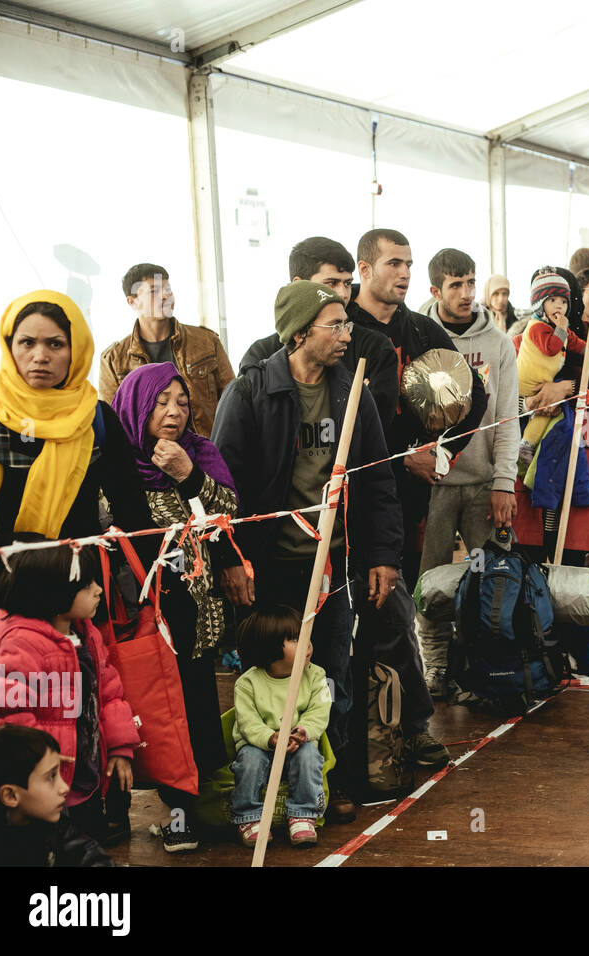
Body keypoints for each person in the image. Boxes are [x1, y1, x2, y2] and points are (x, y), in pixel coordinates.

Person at [212, 281, 405, 822]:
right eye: (335, 325)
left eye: (348, 323)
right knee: (266, 679)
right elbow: (223, 491)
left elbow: (377, 480)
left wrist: (382, 555)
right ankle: (259, 793)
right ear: (300, 333)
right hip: (269, 567)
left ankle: (324, 783)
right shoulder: (251, 392)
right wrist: (231, 559)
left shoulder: (352, 390)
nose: (347, 335)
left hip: (335, 565)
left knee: (332, 678)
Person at [0, 291, 152, 679]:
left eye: (55, 344)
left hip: (73, 599)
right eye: (27, 342)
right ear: (10, 346)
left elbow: (132, 509)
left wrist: (149, 587)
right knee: (12, 718)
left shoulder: (95, 418)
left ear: (76, 350)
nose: (40, 355)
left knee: (78, 714)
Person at [109, 361, 238, 852]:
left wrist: (188, 476)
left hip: (198, 613)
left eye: (182, 402)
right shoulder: (117, 466)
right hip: (145, 620)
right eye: (161, 402)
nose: (174, 412)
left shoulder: (198, 454)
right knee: (158, 715)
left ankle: (205, 805)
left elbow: (227, 514)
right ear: (138, 406)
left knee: (199, 706)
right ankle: (173, 811)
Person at [347, 229, 487, 591]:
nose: (405, 273)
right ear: (364, 269)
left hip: (408, 503)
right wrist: (400, 457)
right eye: (393, 263)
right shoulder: (340, 329)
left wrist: (442, 453)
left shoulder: (422, 331)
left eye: (408, 264)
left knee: (401, 604)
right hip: (351, 495)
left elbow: (477, 394)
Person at [415, 249, 519, 698]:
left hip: (482, 486)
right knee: (430, 582)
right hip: (430, 486)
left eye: (470, 283)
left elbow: (508, 417)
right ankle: (436, 667)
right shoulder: (417, 335)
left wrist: (503, 481)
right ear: (435, 290)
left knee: (491, 580)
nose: (466, 294)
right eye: (455, 285)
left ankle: (481, 667)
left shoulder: (497, 343)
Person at [0, 546, 140, 845]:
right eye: (86, 585)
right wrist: (44, 763)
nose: (98, 591)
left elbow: (108, 690)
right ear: (52, 594)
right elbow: (10, 713)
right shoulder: (21, 643)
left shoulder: (86, 634)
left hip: (86, 777)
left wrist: (121, 745)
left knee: (85, 842)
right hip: (45, 786)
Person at [511, 265, 589, 567]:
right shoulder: (526, 338)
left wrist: (569, 388)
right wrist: (530, 402)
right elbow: (502, 388)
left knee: (573, 564)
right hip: (532, 456)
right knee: (527, 556)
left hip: (582, 459)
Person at [240, 237, 400, 431]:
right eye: (331, 283)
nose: (342, 294)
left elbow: (375, 430)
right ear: (298, 284)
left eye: (348, 283)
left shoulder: (375, 348)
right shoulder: (262, 353)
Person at [231, 606, 330, 847]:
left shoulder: (316, 675)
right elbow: (247, 723)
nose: (306, 642)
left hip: (299, 743)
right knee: (249, 760)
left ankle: (303, 815)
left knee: (309, 757)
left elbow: (320, 711)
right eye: (295, 638)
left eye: (305, 635)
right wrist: (270, 738)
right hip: (260, 745)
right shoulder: (247, 683)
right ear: (270, 647)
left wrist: (302, 732)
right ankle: (248, 816)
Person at [97, 264, 234, 438]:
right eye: (154, 291)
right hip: (147, 460)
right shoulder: (114, 359)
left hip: (205, 452)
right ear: (132, 301)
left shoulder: (206, 341)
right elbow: (113, 423)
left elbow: (232, 401)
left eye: (167, 289)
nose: (165, 296)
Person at [0, 725, 114, 867]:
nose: (65, 788)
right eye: (51, 776)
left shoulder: (55, 826)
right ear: (11, 796)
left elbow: (90, 854)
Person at [516, 269, 589, 468]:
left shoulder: (562, 328)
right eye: (552, 300)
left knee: (547, 412)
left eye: (564, 302)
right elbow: (552, 348)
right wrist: (562, 328)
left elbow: (576, 343)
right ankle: (524, 444)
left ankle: (526, 445)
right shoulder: (537, 327)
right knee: (537, 409)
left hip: (544, 387)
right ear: (539, 304)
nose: (559, 306)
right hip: (527, 386)